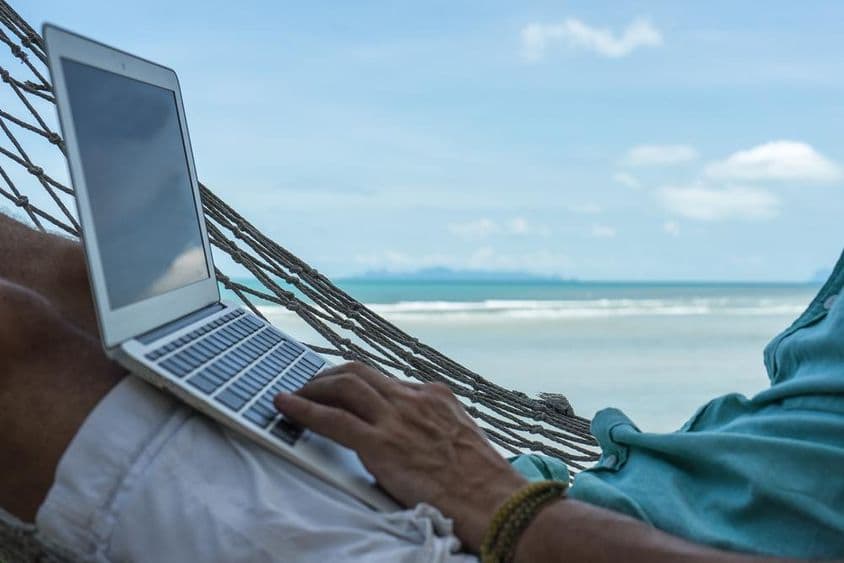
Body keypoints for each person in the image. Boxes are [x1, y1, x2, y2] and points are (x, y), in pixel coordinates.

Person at [1, 211, 842, 563]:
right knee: (78, 276)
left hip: (520, 534)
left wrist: (494, 499)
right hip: (560, 507)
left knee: (14, 339)